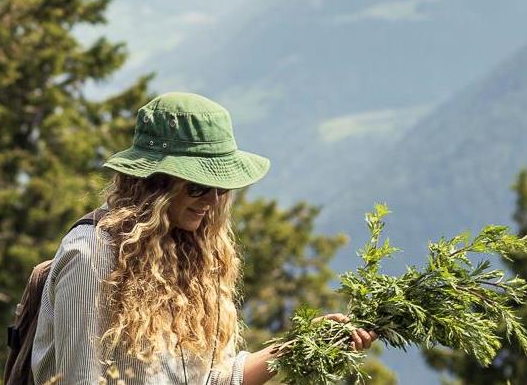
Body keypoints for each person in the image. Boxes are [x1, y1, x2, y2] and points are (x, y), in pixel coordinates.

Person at [30, 92, 376, 385]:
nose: (211, 202)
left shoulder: (192, 256)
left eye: (221, 188)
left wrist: (300, 343)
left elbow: (217, 378)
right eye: (197, 186)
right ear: (154, 183)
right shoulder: (93, 257)